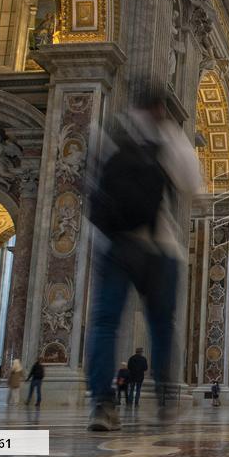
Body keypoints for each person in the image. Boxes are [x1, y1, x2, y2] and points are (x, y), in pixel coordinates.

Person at [85, 91, 202, 431]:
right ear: (162, 108)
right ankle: (165, 396)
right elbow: (193, 186)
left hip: (113, 245)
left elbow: (88, 186)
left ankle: (102, 403)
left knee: (104, 324)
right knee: (162, 325)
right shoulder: (169, 137)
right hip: (158, 247)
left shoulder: (106, 131)